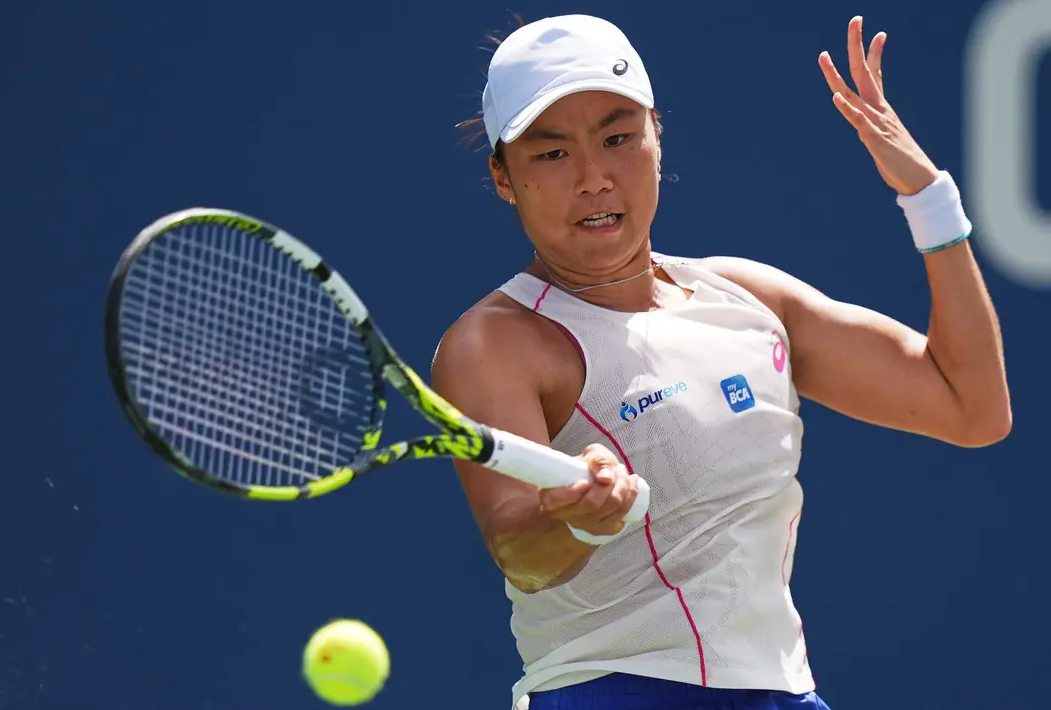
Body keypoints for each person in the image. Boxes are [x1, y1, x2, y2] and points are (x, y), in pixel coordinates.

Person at [432, 13, 1011, 710]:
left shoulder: (747, 297)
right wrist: (580, 516)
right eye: (551, 155)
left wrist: (928, 200)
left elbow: (971, 410)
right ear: (503, 177)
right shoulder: (494, 343)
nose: (593, 178)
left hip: (782, 694)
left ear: (655, 137)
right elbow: (520, 555)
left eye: (617, 138)